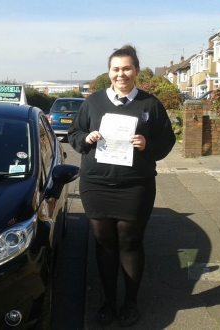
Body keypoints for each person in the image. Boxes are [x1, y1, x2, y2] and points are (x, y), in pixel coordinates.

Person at [68, 45, 176, 327]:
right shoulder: (92, 102)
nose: (121, 74)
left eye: (127, 68)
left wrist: (147, 145)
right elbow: (73, 134)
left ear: (136, 71)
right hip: (96, 185)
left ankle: (130, 302)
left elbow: (167, 141)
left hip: (134, 187)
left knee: (130, 243)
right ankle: (107, 302)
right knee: (104, 245)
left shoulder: (150, 104)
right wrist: (86, 138)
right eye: (116, 69)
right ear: (109, 72)